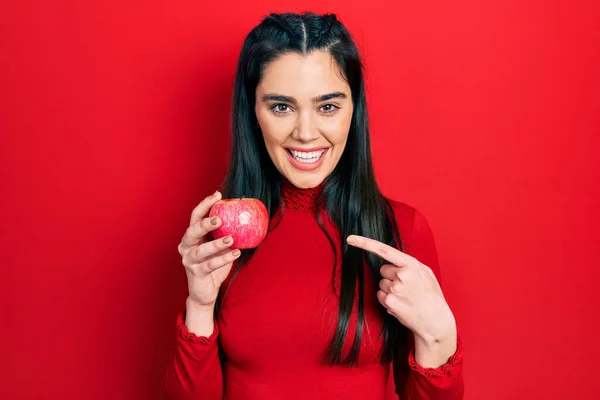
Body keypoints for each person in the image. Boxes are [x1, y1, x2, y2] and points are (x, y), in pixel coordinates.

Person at [165, 11, 464, 400]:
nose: (306, 134)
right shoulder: (217, 240)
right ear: (253, 112)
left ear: (354, 110)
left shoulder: (400, 231)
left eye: (327, 107)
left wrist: (439, 334)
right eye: (281, 107)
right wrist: (199, 305)